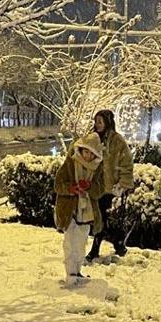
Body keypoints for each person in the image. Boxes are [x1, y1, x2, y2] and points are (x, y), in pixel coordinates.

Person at [53, 132, 104, 283]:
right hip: (69, 209)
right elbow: (58, 184)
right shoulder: (71, 163)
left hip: (87, 212)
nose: (88, 156)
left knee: (81, 243)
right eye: (86, 152)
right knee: (69, 242)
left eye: (92, 153)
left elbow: (100, 189)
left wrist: (89, 187)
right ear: (81, 149)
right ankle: (71, 273)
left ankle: (77, 271)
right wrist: (71, 189)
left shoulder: (97, 168)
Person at [86, 109, 134, 261]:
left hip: (108, 187)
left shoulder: (116, 140)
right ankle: (118, 243)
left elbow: (126, 162)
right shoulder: (92, 138)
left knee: (102, 218)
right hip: (94, 186)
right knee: (101, 218)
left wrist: (122, 183)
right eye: (96, 121)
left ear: (107, 122)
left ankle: (95, 250)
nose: (97, 124)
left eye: (100, 122)